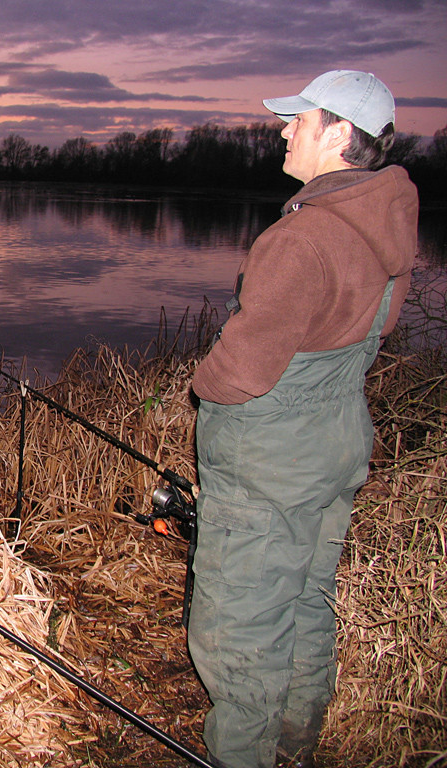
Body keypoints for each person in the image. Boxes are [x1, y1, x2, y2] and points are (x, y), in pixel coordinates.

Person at [188, 70, 419, 768]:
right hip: (337, 444)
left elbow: (244, 370)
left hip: (271, 465)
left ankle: (244, 755)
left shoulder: (304, 237)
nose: (285, 129)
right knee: (308, 595)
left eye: (300, 119)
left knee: (240, 627)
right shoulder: (385, 226)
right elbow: (360, 341)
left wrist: (202, 382)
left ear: (340, 133)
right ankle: (296, 738)